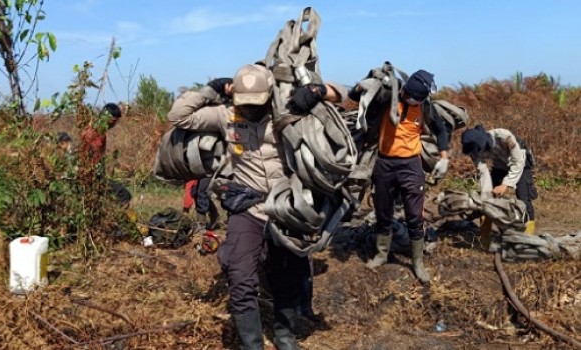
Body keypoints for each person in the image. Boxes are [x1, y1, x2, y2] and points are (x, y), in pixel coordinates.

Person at [168, 64, 341, 350]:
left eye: (256, 105)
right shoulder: (227, 116)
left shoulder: (288, 112)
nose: (249, 110)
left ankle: (285, 336)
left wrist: (318, 91)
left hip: (285, 208)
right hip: (246, 208)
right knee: (239, 275)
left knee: (287, 276)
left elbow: (349, 96)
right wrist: (211, 87)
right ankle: (252, 345)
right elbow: (178, 116)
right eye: (244, 104)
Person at [349, 69, 450, 284]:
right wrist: (361, 85)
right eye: (408, 96)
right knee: (383, 212)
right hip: (384, 163)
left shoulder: (425, 107)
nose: (410, 100)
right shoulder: (388, 99)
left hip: (411, 165)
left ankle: (417, 262)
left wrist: (444, 157)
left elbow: (441, 131)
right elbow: (354, 96)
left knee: (414, 215)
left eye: (415, 98)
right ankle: (382, 255)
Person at [461, 125, 538, 243]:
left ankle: (528, 239)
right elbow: (483, 171)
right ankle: (485, 238)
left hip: (520, 163)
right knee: (487, 200)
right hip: (499, 166)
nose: (478, 153)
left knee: (524, 198)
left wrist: (505, 184)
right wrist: (486, 197)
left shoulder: (504, 136)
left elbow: (518, 162)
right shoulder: (473, 149)